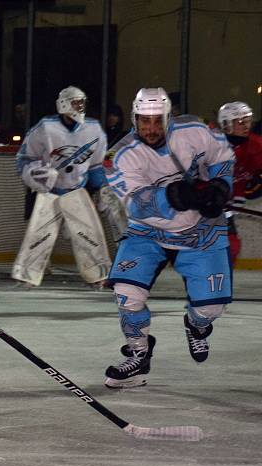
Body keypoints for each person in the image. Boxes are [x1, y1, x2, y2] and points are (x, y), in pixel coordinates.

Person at [102, 87, 234, 388]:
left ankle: (196, 326)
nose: (150, 128)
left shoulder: (195, 130)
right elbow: (133, 203)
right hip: (147, 232)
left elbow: (222, 156)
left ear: (168, 116)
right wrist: (171, 196)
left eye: (156, 120)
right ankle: (138, 354)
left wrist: (221, 186)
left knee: (211, 308)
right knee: (126, 295)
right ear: (134, 118)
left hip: (202, 231)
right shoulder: (119, 155)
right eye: (143, 120)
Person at [11, 86, 113, 288]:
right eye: (76, 102)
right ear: (64, 104)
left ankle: (98, 274)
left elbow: (96, 165)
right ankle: (27, 276)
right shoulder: (46, 127)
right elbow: (24, 158)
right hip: (49, 192)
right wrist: (34, 174)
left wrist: (102, 188)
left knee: (89, 234)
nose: (80, 107)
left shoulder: (93, 128)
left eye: (82, 102)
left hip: (76, 190)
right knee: (39, 235)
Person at [216, 101, 262, 266]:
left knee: (231, 247)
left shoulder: (256, 145)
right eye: (240, 121)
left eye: (248, 121)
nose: (246, 126)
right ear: (227, 124)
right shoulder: (211, 145)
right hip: (201, 206)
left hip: (226, 209)